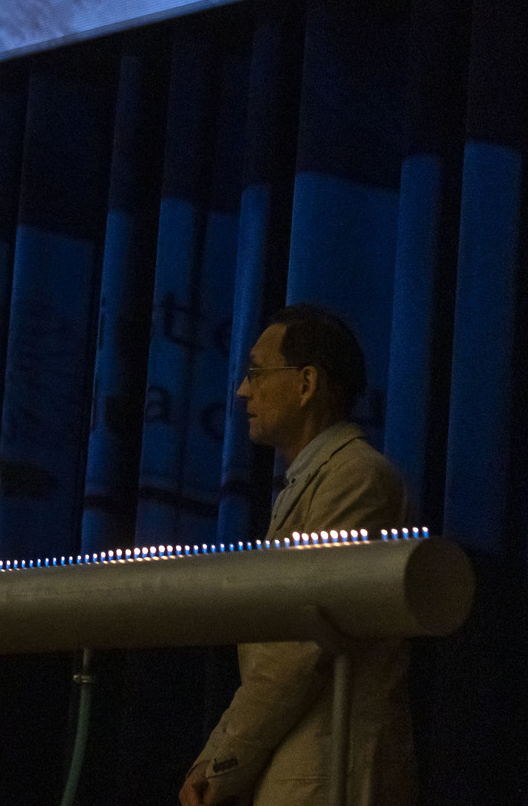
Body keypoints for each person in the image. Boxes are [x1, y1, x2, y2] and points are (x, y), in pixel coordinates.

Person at [180, 304, 415, 806]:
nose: (242, 391)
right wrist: (214, 755)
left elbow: (297, 647)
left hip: (331, 777)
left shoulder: (355, 477)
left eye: (256, 373)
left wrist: (224, 760)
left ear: (307, 384)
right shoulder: (319, 478)